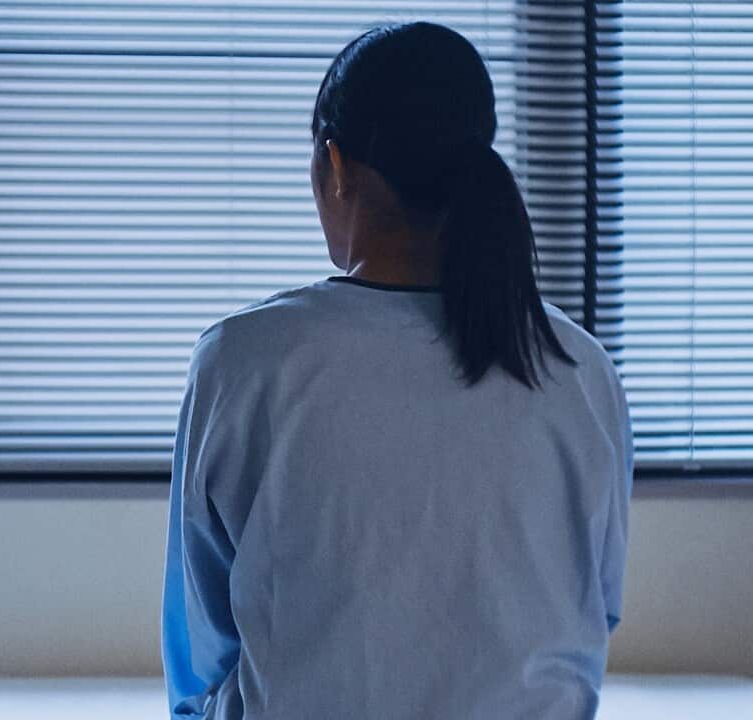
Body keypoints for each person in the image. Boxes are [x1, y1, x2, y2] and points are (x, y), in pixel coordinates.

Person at [160, 21, 634, 720]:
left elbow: (200, 659)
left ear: (337, 165)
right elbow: (593, 609)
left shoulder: (244, 361)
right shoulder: (580, 369)